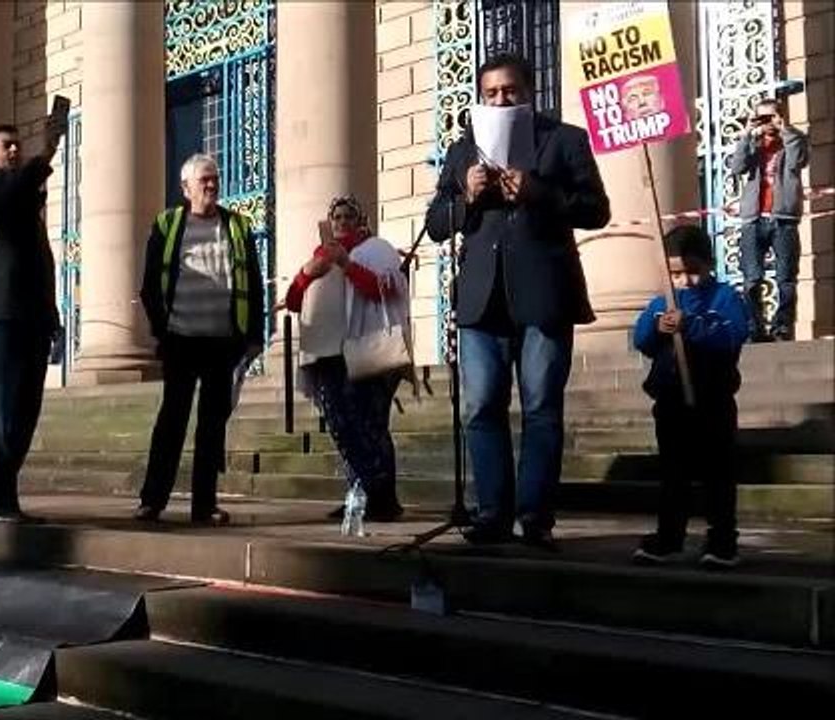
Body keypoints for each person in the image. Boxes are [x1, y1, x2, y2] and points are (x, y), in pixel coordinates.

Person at [424, 52, 610, 548]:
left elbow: (596, 210)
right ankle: (492, 513)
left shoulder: (564, 139)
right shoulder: (463, 151)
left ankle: (535, 517)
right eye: (491, 93)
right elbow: (437, 225)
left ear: (529, 91)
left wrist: (538, 191)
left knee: (541, 406)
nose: (501, 99)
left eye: (510, 90)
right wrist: (464, 196)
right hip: (482, 301)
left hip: (544, 296)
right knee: (482, 405)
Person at [136, 153, 265, 525]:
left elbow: (252, 283)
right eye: (204, 180)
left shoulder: (238, 226)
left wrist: (253, 335)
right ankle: (152, 500)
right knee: (171, 421)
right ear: (186, 187)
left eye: (214, 179)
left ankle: (204, 505)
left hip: (223, 342)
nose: (211, 185)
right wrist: (162, 330)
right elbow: (149, 285)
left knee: (212, 425)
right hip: (181, 339)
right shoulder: (168, 224)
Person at [0, 114, 66, 523]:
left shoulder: (27, 208)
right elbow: (11, 191)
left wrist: (53, 314)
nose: (12, 150)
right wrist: (46, 153)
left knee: (25, 413)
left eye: (16, 145)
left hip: (34, 319)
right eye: (5, 145)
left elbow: (43, 263)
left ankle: (7, 499)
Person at [283, 196, 409, 522]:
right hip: (326, 353)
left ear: (360, 220)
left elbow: (384, 290)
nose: (340, 222)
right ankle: (363, 494)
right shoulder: (320, 257)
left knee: (370, 426)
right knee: (342, 426)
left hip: (364, 351)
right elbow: (294, 301)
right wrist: (305, 273)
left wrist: (346, 264)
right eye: (335, 216)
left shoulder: (375, 250)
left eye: (347, 216)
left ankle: (380, 496)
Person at [632, 225, 750, 568]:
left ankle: (722, 539)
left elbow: (733, 335)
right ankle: (669, 536)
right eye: (676, 273)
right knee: (673, 473)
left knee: (719, 472)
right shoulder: (661, 302)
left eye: (692, 272)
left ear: (709, 265)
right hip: (671, 401)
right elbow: (641, 340)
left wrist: (693, 326)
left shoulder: (725, 298)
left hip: (712, 399)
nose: (684, 281)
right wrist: (656, 328)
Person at [729, 98, 810, 342]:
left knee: (786, 277)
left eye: (771, 117)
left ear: (781, 117)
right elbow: (737, 167)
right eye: (762, 118)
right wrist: (746, 135)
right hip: (754, 220)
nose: (768, 124)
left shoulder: (793, 140)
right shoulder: (753, 144)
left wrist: (785, 129)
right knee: (752, 277)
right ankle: (755, 327)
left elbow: (798, 161)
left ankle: (782, 326)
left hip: (783, 219)